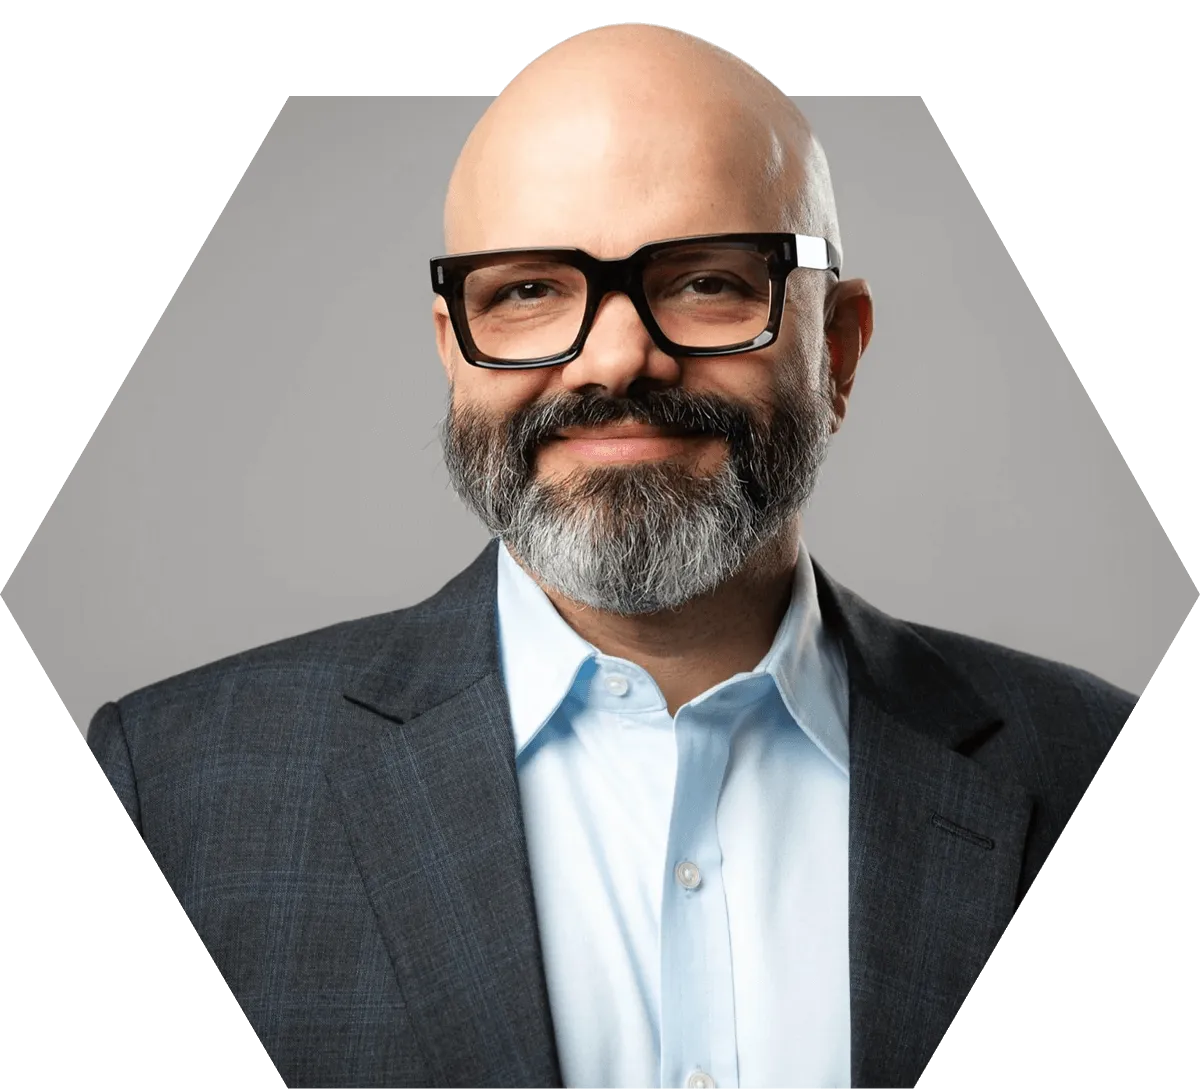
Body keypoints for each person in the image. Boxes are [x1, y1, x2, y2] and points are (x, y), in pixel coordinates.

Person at [85, 27, 1139, 1089]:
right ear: (453, 352)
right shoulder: (176, 797)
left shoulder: (1089, 762)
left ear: (840, 348)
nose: (618, 356)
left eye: (708, 281)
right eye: (529, 291)